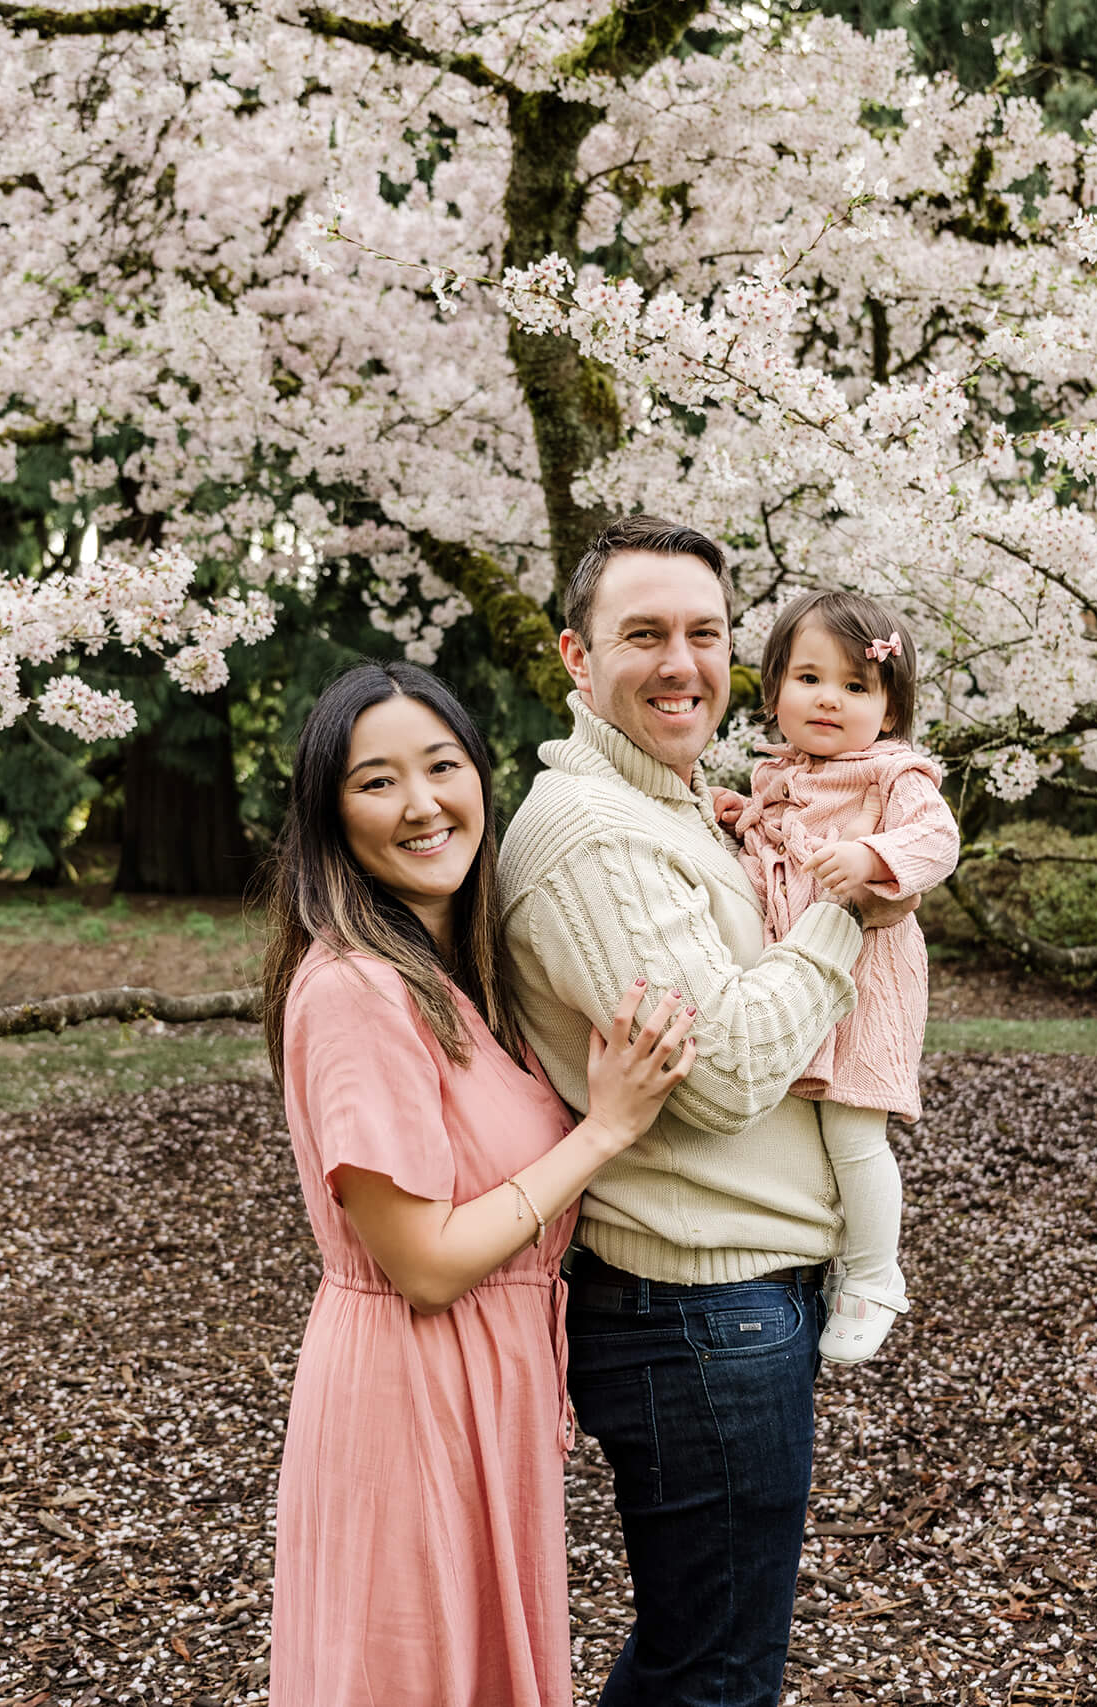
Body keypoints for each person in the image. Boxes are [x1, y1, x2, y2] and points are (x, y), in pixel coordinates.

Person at [499, 515, 913, 1707]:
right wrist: (851, 910)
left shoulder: (672, 803)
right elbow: (729, 1071)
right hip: (696, 1311)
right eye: (643, 635)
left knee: (706, 1657)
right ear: (577, 659)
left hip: (732, 1303)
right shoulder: (591, 838)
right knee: (716, 1674)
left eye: (705, 633)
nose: (682, 662)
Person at [261, 660, 699, 1707]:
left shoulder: (462, 977)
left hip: (483, 1393)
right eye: (376, 782)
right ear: (330, 817)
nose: (421, 805)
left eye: (441, 766)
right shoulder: (355, 990)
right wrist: (606, 1131)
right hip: (408, 1397)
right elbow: (422, 1263)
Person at [717, 588, 960, 1362]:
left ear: (888, 712)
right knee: (813, 1136)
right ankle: (830, 1257)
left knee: (855, 1135)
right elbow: (776, 849)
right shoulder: (781, 776)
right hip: (798, 984)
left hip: (865, 988)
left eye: (857, 686)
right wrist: (739, 820)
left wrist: (871, 856)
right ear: (776, 688)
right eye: (810, 678)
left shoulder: (893, 774)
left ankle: (875, 1272)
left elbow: (938, 839)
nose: (830, 699)